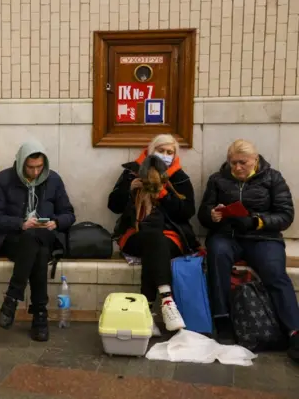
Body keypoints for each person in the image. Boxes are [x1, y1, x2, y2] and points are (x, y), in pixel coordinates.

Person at [199, 139, 299, 362]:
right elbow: (203, 214)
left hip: (263, 237)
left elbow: (285, 215)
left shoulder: (273, 178)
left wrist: (257, 221)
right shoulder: (218, 180)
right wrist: (212, 216)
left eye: (242, 162)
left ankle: (294, 330)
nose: (237, 168)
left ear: (255, 160)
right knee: (217, 255)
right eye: (233, 163)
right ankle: (222, 318)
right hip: (228, 236)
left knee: (275, 274)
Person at [107, 134, 198, 333]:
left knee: (155, 242)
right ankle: (167, 301)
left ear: (175, 155)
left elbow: (187, 212)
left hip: (170, 235)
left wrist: (164, 195)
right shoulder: (132, 172)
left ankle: (147, 315)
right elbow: (113, 205)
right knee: (153, 239)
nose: (165, 155)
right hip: (135, 233)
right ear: (150, 151)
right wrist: (128, 189)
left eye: (169, 152)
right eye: (161, 151)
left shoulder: (179, 177)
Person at [0, 139, 75, 342]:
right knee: (36, 247)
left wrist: (56, 222)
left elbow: (69, 214)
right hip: (13, 239)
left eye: (40, 167)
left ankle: (12, 299)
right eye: (31, 167)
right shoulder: (3, 179)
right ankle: (39, 316)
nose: (36, 173)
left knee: (37, 242)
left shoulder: (53, 180)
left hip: (46, 236)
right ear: (20, 163)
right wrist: (21, 223)